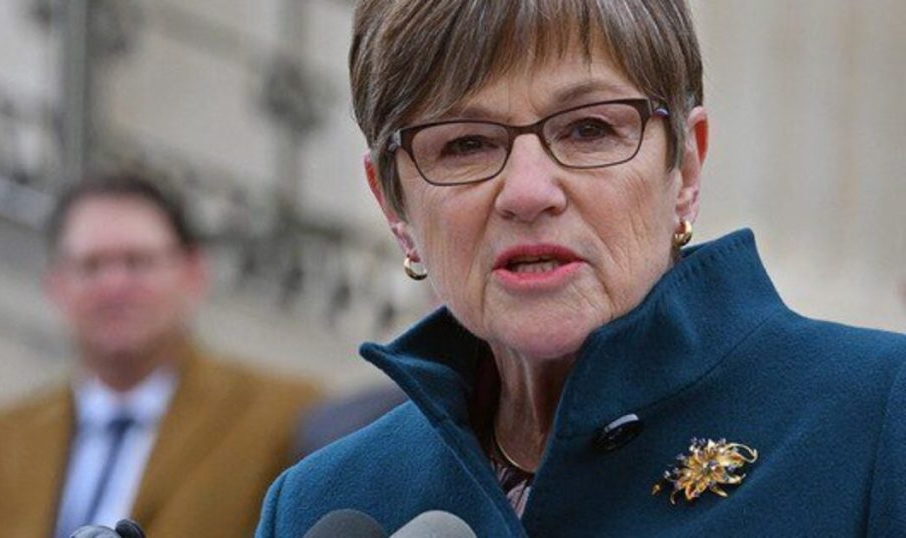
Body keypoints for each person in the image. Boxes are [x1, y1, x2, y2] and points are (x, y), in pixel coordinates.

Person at [255, 1, 906, 536]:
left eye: (589, 129)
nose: (528, 192)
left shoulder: (876, 413)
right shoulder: (322, 500)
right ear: (393, 205)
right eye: (465, 143)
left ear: (685, 168)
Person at [0, 173, 318, 538]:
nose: (114, 286)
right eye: (91, 266)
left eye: (137, 262)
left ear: (193, 273)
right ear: (56, 285)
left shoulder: (284, 419)